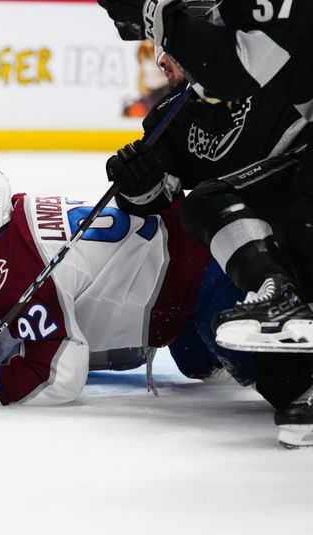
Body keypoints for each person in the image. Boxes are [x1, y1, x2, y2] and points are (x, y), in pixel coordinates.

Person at [0, 164, 313, 448]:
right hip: (183, 266)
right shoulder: (18, 211)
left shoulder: (16, 272)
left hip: (200, 279)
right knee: (194, 363)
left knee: (285, 381)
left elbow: (58, 376)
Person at [97, 1, 313, 348]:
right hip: (268, 231)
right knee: (254, 372)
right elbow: (157, 193)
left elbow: (235, 67)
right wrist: (137, 185)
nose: (160, 61)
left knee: (219, 202)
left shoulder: (262, 67)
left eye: (165, 48)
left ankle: (281, 296)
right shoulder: (170, 118)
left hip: (298, 193)